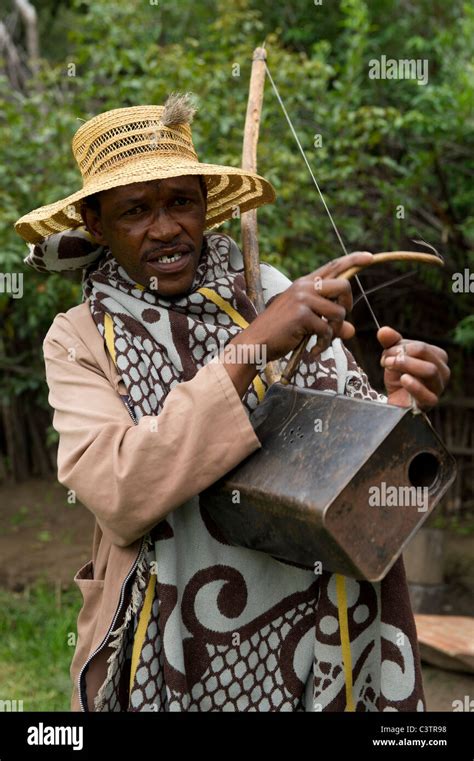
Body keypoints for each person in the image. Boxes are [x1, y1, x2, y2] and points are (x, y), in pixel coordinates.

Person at [14, 93, 450, 712]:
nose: (165, 229)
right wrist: (250, 348)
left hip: (309, 625)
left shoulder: (265, 289)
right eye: (135, 210)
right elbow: (119, 489)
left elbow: (353, 473)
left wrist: (402, 410)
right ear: (94, 222)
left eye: (181, 202)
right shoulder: (79, 336)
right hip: (169, 640)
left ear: (205, 205)